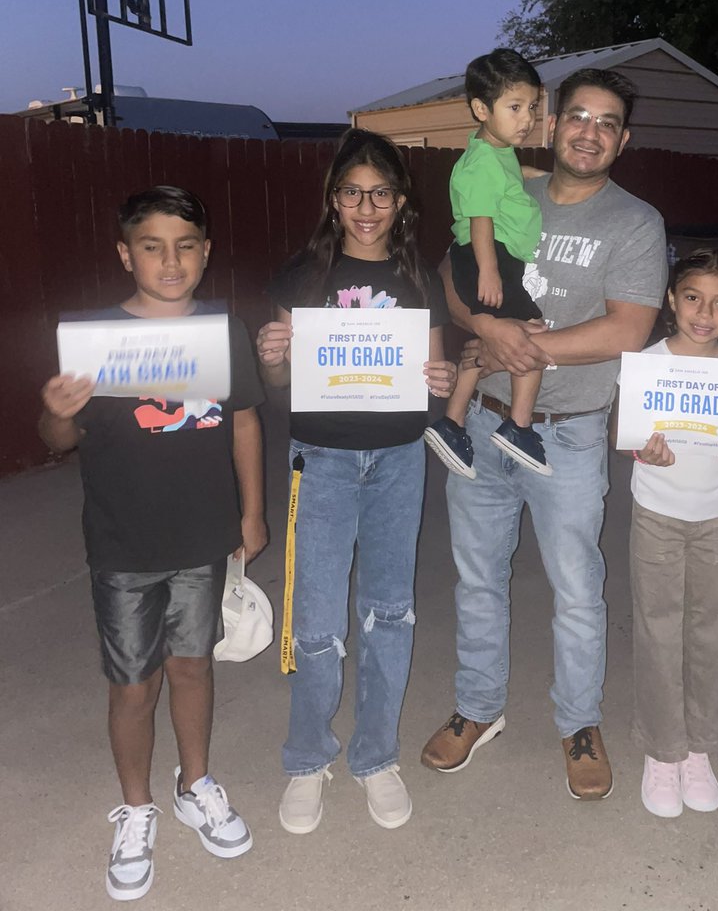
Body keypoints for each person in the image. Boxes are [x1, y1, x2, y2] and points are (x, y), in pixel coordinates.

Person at [421, 67, 668, 800]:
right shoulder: (506, 184)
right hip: (483, 423)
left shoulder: (635, 222)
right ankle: (478, 708)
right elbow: (448, 272)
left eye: (606, 122)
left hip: (567, 432)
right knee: (476, 579)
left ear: (622, 140)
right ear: (553, 124)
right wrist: (486, 327)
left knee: (576, 588)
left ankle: (579, 724)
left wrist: (521, 349)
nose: (589, 131)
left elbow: (628, 327)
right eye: (578, 116)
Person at [38, 186, 265, 902]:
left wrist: (252, 514)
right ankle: (136, 806)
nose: (171, 261)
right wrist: (56, 413)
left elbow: (245, 424)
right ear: (124, 253)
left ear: (206, 252)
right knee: (134, 684)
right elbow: (59, 442)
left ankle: (193, 784)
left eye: (186, 245)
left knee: (194, 667)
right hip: (123, 542)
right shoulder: (95, 340)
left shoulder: (224, 333)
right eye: (152, 246)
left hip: (202, 534)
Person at [255, 129, 456, 835]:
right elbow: (281, 387)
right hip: (323, 458)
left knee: (389, 612)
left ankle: (375, 757)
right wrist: (273, 355)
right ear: (332, 199)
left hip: (399, 459)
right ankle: (308, 757)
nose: (365, 206)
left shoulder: (420, 278)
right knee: (312, 620)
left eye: (380, 193)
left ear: (401, 201)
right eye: (352, 192)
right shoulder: (300, 277)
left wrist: (443, 380)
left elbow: (433, 387)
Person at [617, 248, 718, 818]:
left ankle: (699, 749)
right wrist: (642, 448)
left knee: (710, 630)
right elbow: (622, 429)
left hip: (717, 519)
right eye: (693, 298)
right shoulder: (647, 364)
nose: (704, 313)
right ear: (671, 300)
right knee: (659, 630)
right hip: (656, 514)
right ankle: (662, 752)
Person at [425, 48, 550, 478]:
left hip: (493, 258)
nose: (527, 118)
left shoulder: (495, 151)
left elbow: (509, 179)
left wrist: (538, 177)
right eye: (514, 107)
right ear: (481, 108)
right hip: (488, 256)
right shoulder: (481, 162)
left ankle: (451, 421)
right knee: (531, 338)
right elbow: (481, 221)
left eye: (532, 107)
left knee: (491, 344)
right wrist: (490, 272)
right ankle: (519, 426)